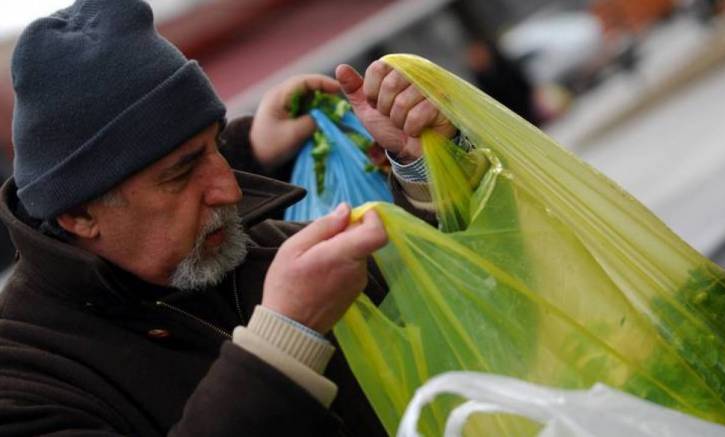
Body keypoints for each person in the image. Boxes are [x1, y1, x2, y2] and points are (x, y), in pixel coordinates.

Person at [0, 0, 454, 435]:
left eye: (216, 147)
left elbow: (444, 284)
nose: (230, 189)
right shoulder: (24, 378)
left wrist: (423, 166)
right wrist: (283, 346)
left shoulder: (251, 247)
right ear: (79, 214)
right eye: (182, 172)